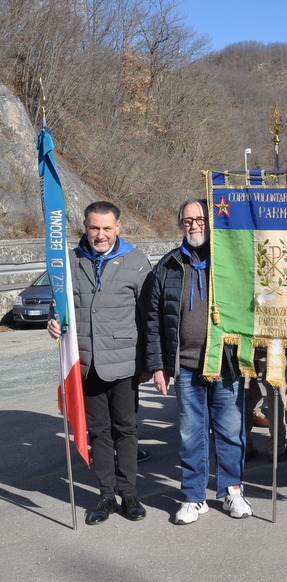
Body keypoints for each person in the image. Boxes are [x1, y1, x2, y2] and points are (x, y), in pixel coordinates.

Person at [141, 198, 252, 525]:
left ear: (211, 222)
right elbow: (152, 320)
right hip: (186, 367)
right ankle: (193, 497)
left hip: (226, 365)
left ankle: (232, 491)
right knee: (191, 435)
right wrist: (158, 365)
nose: (194, 225)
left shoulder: (230, 261)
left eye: (200, 219)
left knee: (230, 432)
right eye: (188, 220)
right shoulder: (168, 266)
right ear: (181, 225)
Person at [47, 201, 151, 525]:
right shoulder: (69, 261)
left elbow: (148, 317)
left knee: (126, 430)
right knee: (98, 433)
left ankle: (129, 494)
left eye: (107, 228)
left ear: (118, 227)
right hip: (86, 364)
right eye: (94, 228)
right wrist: (53, 321)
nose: (100, 234)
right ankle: (106, 495)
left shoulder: (136, 261)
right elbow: (59, 307)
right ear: (85, 226)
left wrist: (149, 364)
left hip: (124, 365)